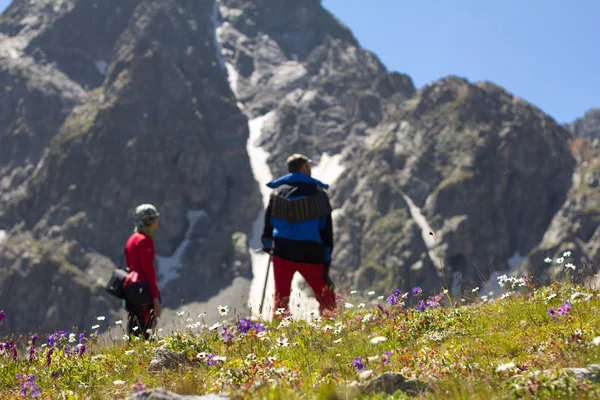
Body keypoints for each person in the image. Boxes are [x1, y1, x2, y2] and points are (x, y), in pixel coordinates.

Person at [261, 154, 336, 317]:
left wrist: (268, 245)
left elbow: (269, 225)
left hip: (281, 251)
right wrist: (326, 256)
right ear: (303, 168)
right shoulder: (318, 194)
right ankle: (330, 328)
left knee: (281, 297)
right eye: (308, 166)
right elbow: (326, 229)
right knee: (325, 295)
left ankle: (278, 332)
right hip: (310, 252)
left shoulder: (277, 193)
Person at [123, 204, 161, 339]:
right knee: (146, 325)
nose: (157, 221)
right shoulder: (145, 240)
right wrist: (155, 298)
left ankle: (132, 349)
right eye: (154, 219)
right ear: (148, 221)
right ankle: (143, 352)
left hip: (130, 287)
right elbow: (148, 270)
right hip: (142, 289)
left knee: (134, 321)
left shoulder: (132, 238)